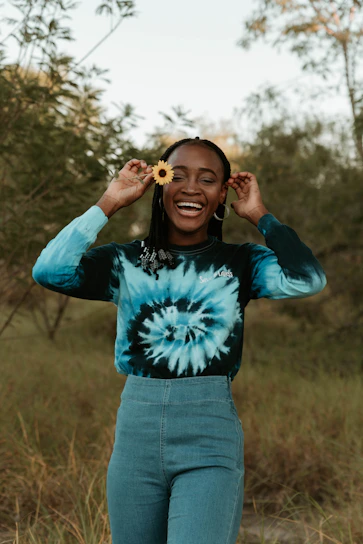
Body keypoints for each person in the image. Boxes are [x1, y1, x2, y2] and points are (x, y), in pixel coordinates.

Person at [32, 137, 327, 544]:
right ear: (160, 184)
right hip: (135, 435)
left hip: (210, 437)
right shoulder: (125, 261)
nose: (191, 188)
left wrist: (260, 215)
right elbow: (49, 271)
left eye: (208, 180)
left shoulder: (242, 263)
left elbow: (308, 278)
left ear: (222, 195)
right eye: (178, 175)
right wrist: (110, 202)